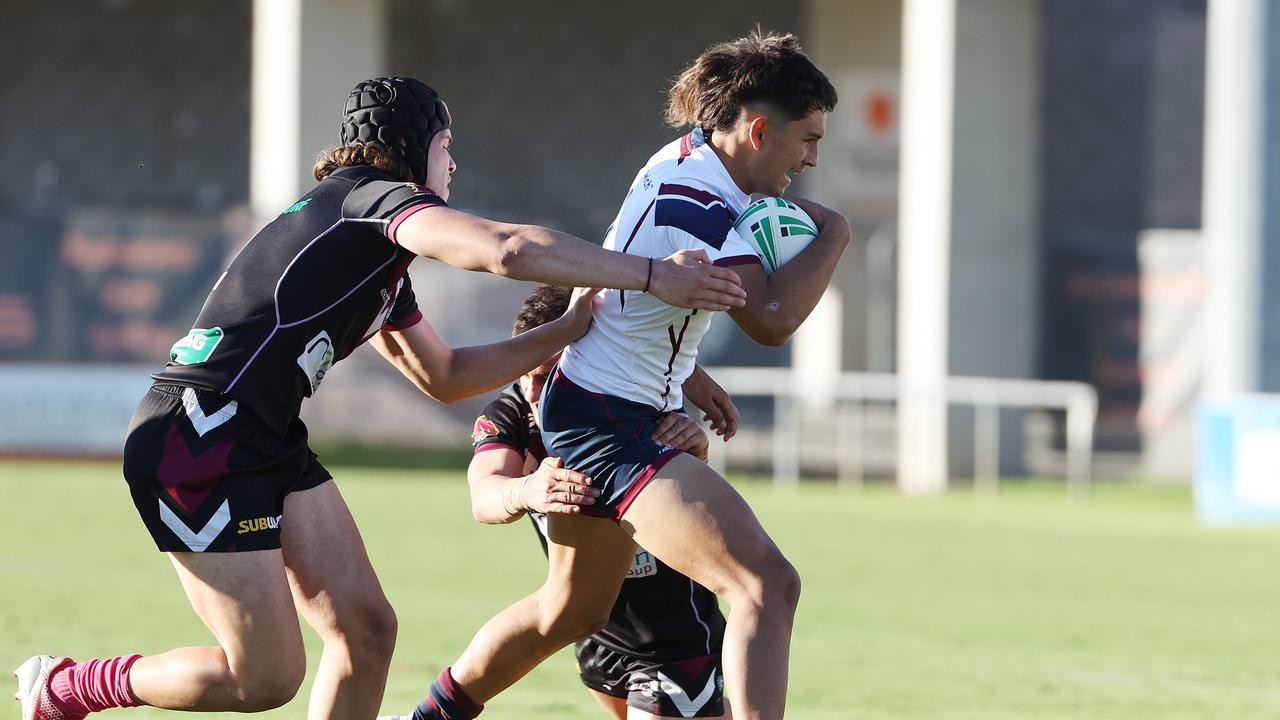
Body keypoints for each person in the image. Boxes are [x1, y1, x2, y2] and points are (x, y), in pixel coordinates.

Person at [12, 76, 745, 720]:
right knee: (264, 678)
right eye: (446, 145)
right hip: (197, 438)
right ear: (410, 146)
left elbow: (447, 376)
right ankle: (70, 688)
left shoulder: (375, 257)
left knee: (367, 631)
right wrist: (647, 275)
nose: (453, 163)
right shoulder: (369, 199)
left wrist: (568, 333)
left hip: (261, 437)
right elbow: (506, 249)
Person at [390, 32, 848, 720]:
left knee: (567, 611)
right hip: (610, 421)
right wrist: (835, 233)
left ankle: (428, 718)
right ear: (757, 130)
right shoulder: (709, 209)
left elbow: (635, 298)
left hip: (599, 404)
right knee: (766, 586)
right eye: (807, 139)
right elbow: (772, 320)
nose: (812, 157)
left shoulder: (685, 158)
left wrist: (685, 377)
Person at [464, 286, 739, 719]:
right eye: (530, 376)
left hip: (675, 639)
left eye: (553, 377)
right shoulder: (513, 414)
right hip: (595, 636)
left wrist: (691, 454)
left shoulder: (635, 406)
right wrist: (526, 490)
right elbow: (484, 494)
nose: (538, 393)